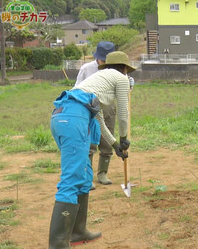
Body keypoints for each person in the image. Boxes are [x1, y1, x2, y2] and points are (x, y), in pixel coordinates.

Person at [49, 51, 135, 247]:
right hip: (73, 119)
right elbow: (123, 113)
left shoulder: (95, 84)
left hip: (64, 116)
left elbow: (99, 121)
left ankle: (78, 231)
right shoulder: (121, 78)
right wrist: (123, 138)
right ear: (125, 69)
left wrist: (115, 145)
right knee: (72, 179)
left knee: (84, 175)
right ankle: (58, 244)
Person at [75, 41, 116, 190]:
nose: (104, 63)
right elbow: (77, 88)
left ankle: (103, 173)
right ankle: (87, 176)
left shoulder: (116, 69)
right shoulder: (87, 69)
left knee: (107, 139)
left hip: (108, 107)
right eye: (102, 60)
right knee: (90, 143)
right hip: (90, 107)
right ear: (97, 57)